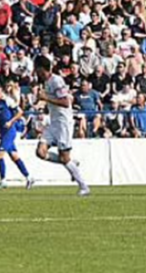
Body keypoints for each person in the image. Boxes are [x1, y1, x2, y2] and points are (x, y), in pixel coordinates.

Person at [34, 55, 89, 196]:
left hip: (63, 123)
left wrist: (45, 98)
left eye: (36, 69)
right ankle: (72, 163)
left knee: (64, 157)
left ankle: (83, 186)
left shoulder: (57, 81)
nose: (35, 72)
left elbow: (65, 102)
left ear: (41, 69)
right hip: (53, 123)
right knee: (40, 152)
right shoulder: (46, 82)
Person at [0, 83, 34, 190]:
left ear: (1, 91)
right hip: (3, 132)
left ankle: (3, 180)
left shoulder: (7, 101)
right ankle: (29, 177)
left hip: (9, 131)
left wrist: (11, 122)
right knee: (14, 156)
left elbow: (20, 112)